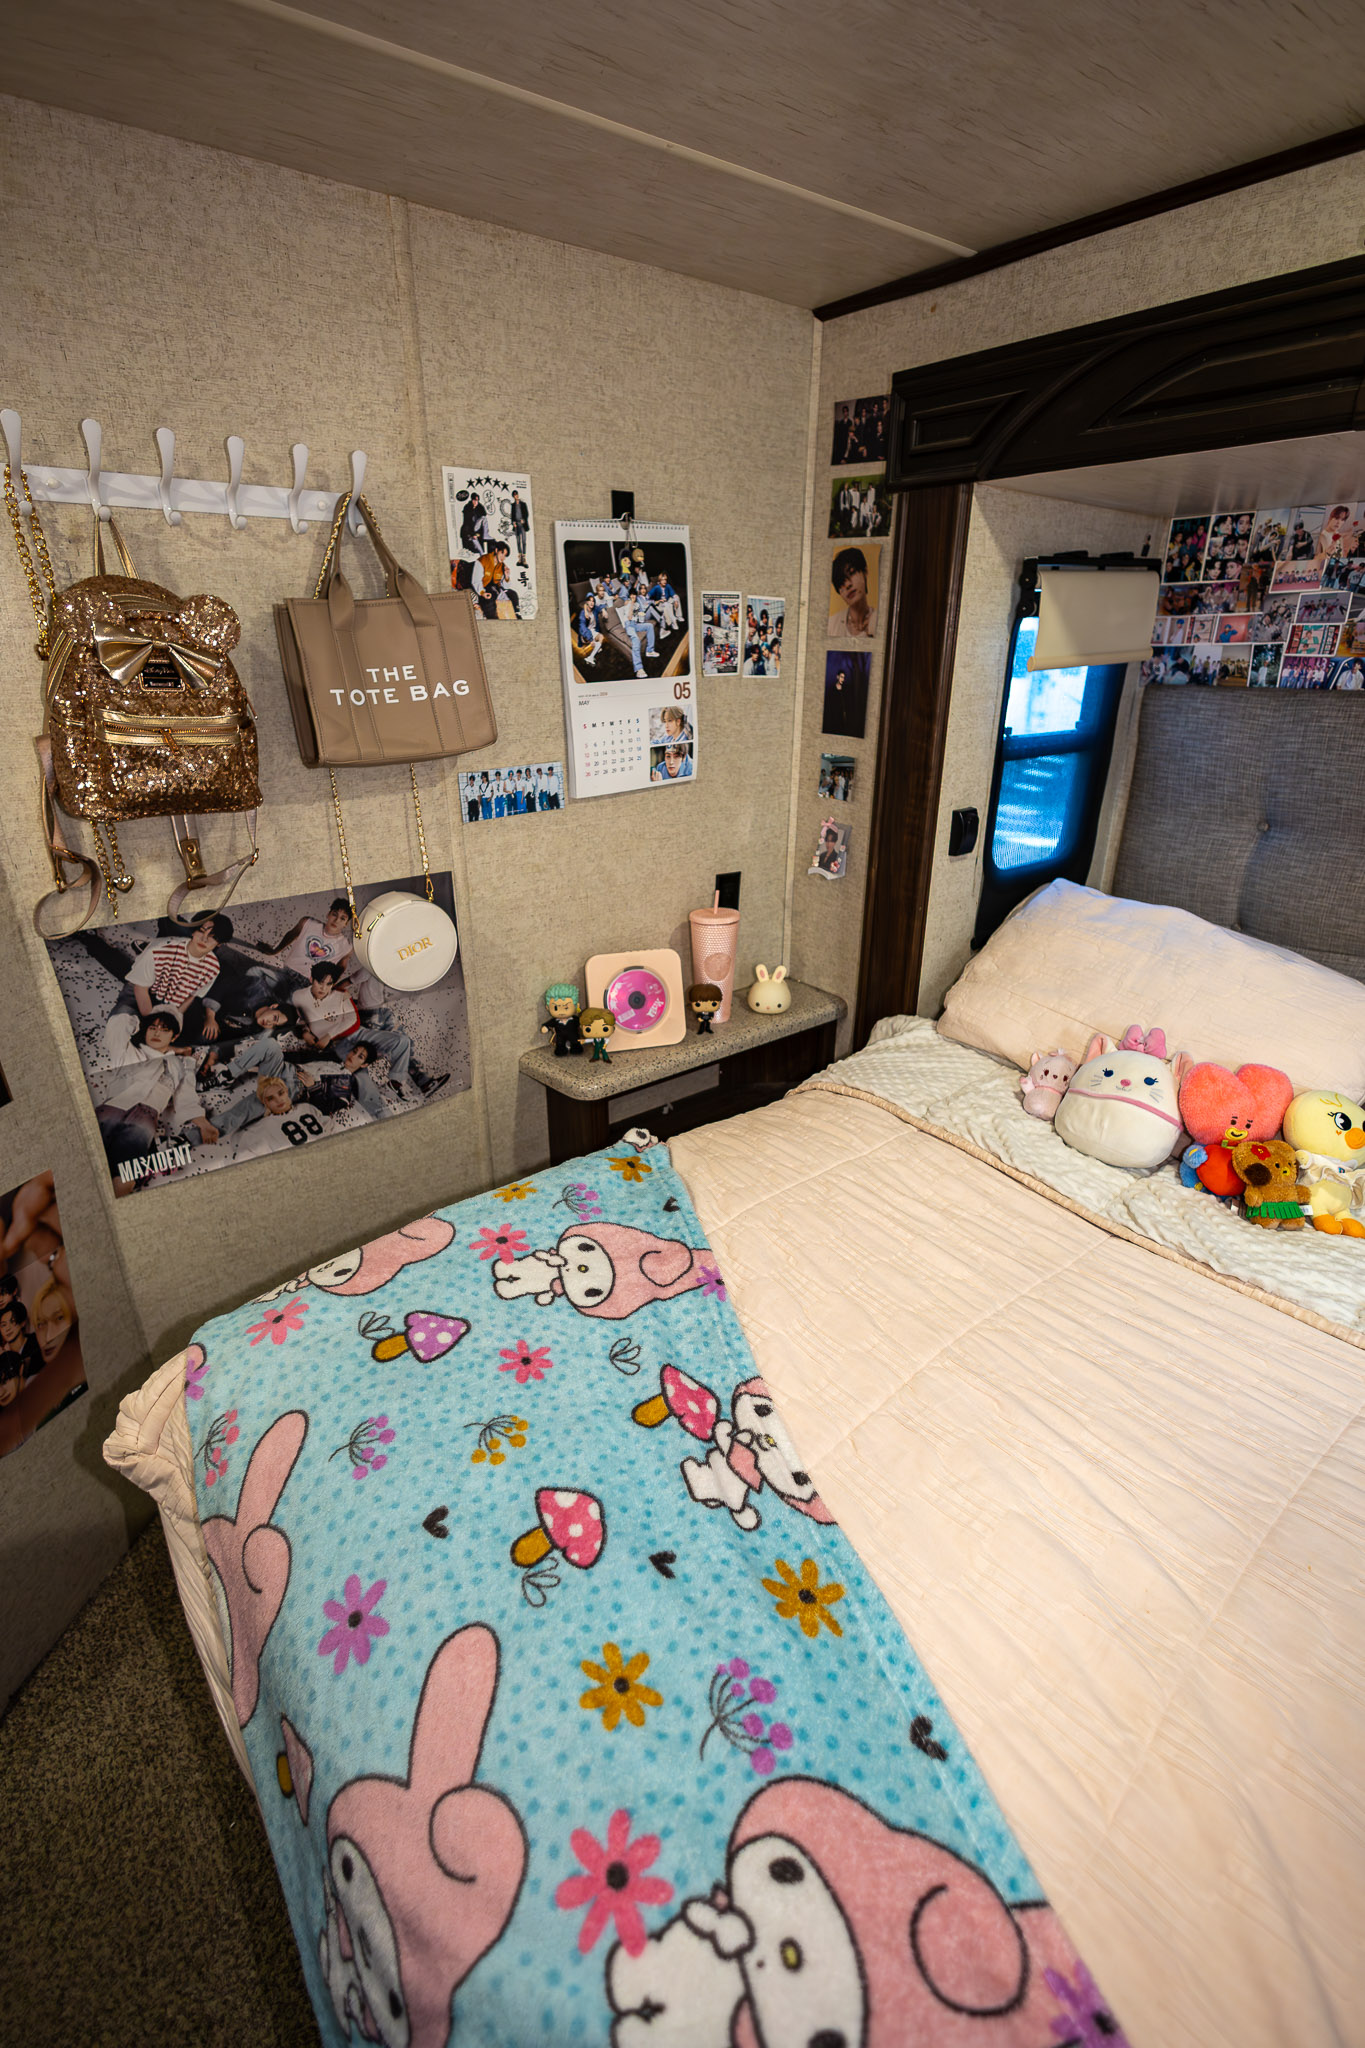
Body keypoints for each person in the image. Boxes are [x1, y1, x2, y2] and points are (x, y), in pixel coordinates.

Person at [293, 963, 448, 1103]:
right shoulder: (299, 996)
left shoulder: (339, 994)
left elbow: (352, 1021)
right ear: (311, 979)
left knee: (402, 1041)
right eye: (320, 983)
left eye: (329, 984)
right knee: (358, 1077)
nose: (324, 988)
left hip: (357, 1033)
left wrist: (328, 1035)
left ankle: (395, 1083)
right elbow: (296, 1020)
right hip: (337, 1046)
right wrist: (306, 1032)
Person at [95, 1010, 215, 1174]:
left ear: (174, 1037)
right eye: (152, 1028)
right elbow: (118, 1024)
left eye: (165, 1030)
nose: (157, 1033)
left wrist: (203, 1123)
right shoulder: (128, 1053)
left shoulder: (178, 1065)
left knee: (125, 1175)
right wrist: (141, 1022)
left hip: (146, 1118)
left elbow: (185, 1096)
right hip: (112, 1107)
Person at [103, 913, 232, 1065]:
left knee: (188, 1039)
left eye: (212, 936)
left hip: (170, 1002)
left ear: (219, 944)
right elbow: (140, 989)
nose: (204, 939)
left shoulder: (213, 967)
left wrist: (174, 1018)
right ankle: (91, 941)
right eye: (201, 931)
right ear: (192, 930)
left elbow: (190, 996)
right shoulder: (159, 949)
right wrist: (150, 1024)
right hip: (141, 991)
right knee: (118, 1026)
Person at [240, 899, 352, 1016]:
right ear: (328, 914)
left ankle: (259, 1017)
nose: (336, 920)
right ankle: (248, 1011)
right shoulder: (308, 923)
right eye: (334, 914)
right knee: (255, 973)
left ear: (346, 923)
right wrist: (274, 951)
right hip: (286, 974)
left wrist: (325, 988)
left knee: (283, 1007)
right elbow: (291, 934)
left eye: (342, 918)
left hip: (305, 985)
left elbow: (341, 967)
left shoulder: (346, 946)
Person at [829, 547, 876, 638]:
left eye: (852, 573)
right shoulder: (831, 625)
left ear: (865, 571)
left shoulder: (880, 620)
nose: (847, 585)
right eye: (840, 583)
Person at [472, 541, 520, 619]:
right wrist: (482, 592)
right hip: (484, 589)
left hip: (496, 589)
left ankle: (517, 615)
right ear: (496, 550)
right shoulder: (482, 560)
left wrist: (506, 576)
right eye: (502, 553)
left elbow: (505, 586)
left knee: (513, 594)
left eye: (505, 555)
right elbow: (476, 580)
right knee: (490, 600)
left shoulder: (502, 565)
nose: (503, 557)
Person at [619, 591, 657, 677]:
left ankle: (650, 650)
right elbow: (629, 617)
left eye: (634, 595)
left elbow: (637, 615)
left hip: (635, 624)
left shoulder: (637, 604)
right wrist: (632, 602)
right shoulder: (628, 602)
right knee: (636, 640)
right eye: (632, 595)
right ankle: (639, 669)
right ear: (630, 596)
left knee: (649, 626)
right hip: (629, 625)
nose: (633, 596)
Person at [509, 488, 529, 566]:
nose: (515, 496)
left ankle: (524, 558)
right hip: (516, 524)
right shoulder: (513, 505)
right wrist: (513, 522)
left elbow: (526, 513)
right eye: (514, 495)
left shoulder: (523, 504)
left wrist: (523, 520)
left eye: (516, 495)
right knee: (518, 541)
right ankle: (520, 558)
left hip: (523, 524)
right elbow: (512, 515)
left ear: (518, 495)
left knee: (524, 541)